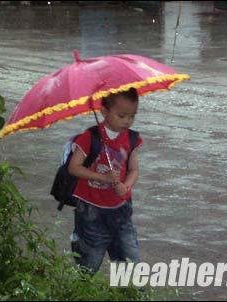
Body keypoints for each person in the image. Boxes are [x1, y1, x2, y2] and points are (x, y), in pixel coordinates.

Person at [67, 87, 143, 273]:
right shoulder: (90, 137)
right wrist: (103, 177)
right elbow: (74, 168)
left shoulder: (132, 138)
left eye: (132, 116)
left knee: (129, 259)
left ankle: (130, 292)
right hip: (91, 211)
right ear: (104, 112)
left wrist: (126, 186)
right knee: (89, 260)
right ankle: (82, 290)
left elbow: (133, 170)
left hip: (120, 210)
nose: (127, 121)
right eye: (122, 115)